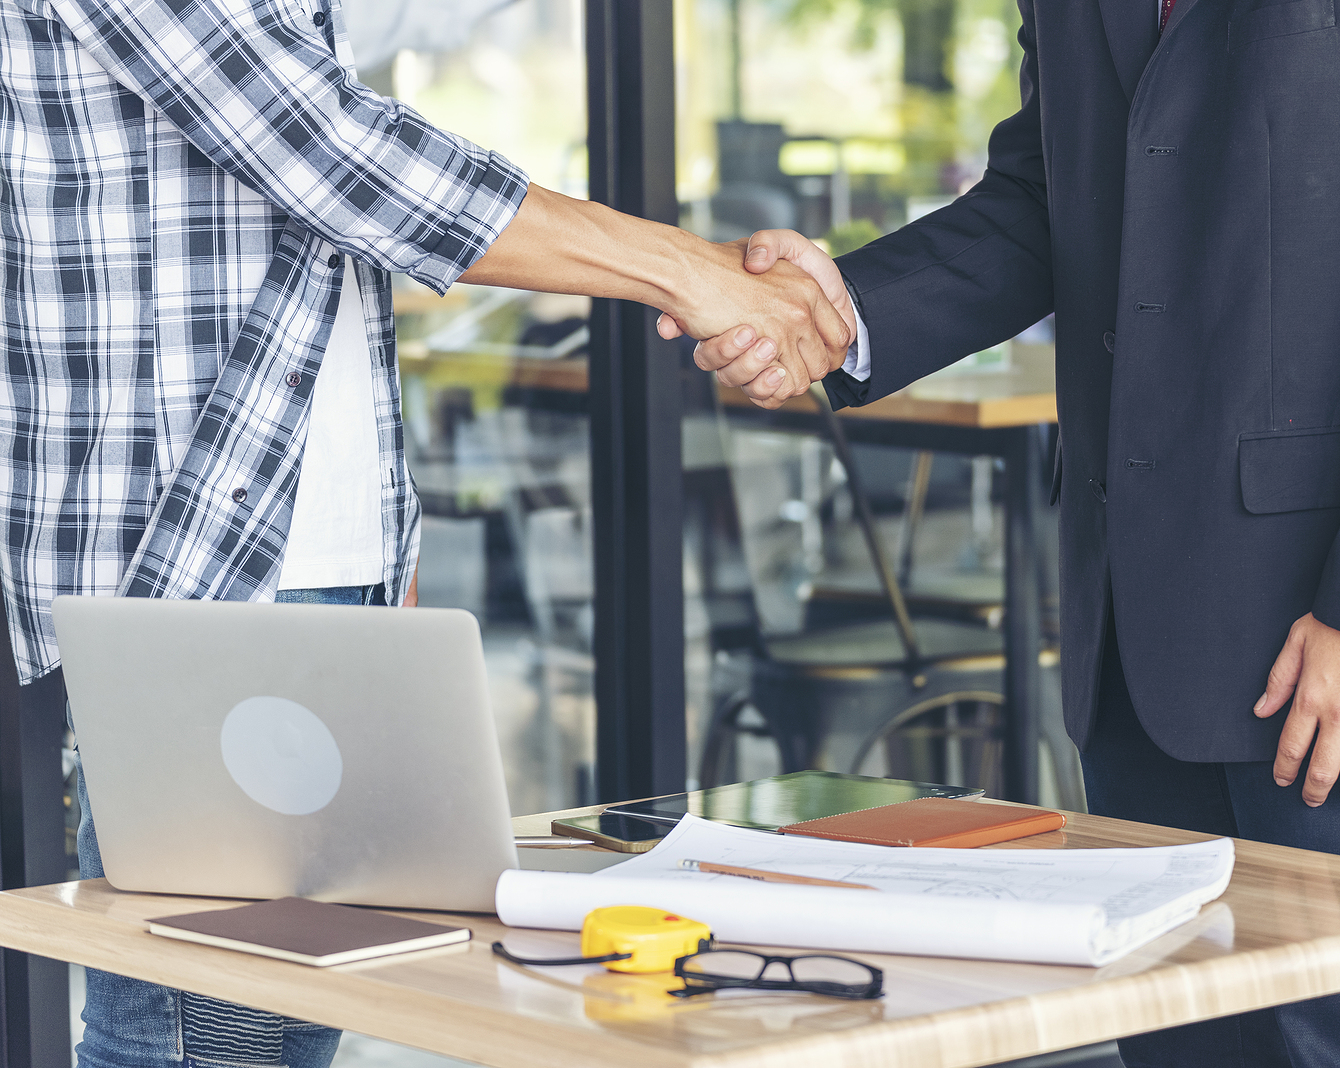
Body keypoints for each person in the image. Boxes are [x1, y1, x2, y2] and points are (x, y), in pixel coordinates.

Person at [683, 1, 1340, 1064]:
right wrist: (838, 310)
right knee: (1179, 1046)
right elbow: (1041, 199)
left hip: (1337, 639)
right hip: (1133, 628)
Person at [0, 0, 850, 1064]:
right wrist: (689, 272)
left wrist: (377, 551)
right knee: (194, 1038)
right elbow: (332, 151)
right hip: (203, 561)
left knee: (295, 1027)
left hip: (325, 562)